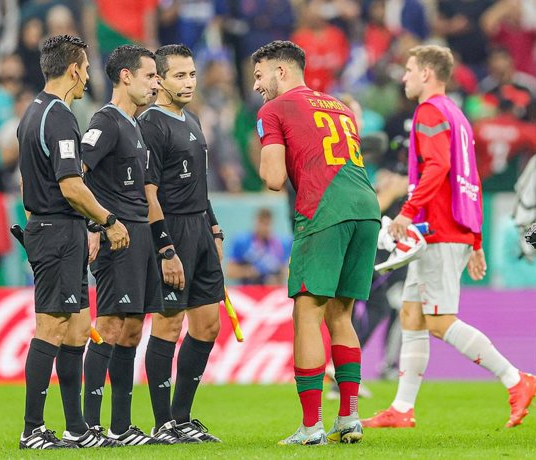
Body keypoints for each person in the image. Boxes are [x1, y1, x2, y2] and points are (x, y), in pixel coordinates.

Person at [362, 44, 536, 430]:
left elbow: (439, 168)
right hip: (452, 228)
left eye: (408, 70)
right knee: (411, 314)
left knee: (440, 322)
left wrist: (406, 212)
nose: (404, 77)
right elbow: (469, 178)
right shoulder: (457, 115)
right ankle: (402, 409)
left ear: (427, 74)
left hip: (437, 230)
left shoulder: (428, 112)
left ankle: (517, 379)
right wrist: (474, 238)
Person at [252, 40, 381, 445]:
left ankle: (311, 427)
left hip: (325, 210)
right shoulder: (339, 105)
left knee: (307, 314)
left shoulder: (273, 109)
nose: (257, 85)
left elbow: (273, 180)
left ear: (282, 72)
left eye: (260, 76)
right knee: (341, 315)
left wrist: (267, 150)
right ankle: (350, 418)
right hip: (366, 208)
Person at [16, 34, 129, 450]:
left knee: (78, 329)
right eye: (85, 69)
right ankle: (32, 430)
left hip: (54, 231)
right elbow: (71, 186)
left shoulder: (31, 112)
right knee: (51, 327)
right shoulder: (61, 115)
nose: (86, 78)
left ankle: (77, 429)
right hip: (59, 232)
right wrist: (108, 221)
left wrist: (34, 228)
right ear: (74, 69)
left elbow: (27, 179)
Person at [79, 44, 170, 446]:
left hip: (140, 235)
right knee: (110, 325)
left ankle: (120, 426)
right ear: (126, 77)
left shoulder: (134, 124)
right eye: (150, 76)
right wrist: (95, 224)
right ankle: (88, 426)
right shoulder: (107, 121)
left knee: (132, 330)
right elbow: (74, 172)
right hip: (118, 236)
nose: (157, 83)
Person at [138, 44, 225, 443]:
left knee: (208, 325)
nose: (189, 82)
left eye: (191, 74)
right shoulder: (151, 124)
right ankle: (162, 424)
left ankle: (182, 417)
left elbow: (199, 185)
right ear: (159, 80)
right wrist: (165, 247)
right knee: (169, 324)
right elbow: (148, 191)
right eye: (179, 76)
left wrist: (215, 228)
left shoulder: (191, 118)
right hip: (171, 231)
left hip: (200, 230)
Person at [226, 207, 290, 285]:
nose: (265, 228)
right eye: (262, 223)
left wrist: (276, 279)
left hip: (270, 292)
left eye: (268, 224)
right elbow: (229, 272)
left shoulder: (280, 244)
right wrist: (247, 272)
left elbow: (284, 272)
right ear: (256, 222)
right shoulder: (242, 242)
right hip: (248, 290)